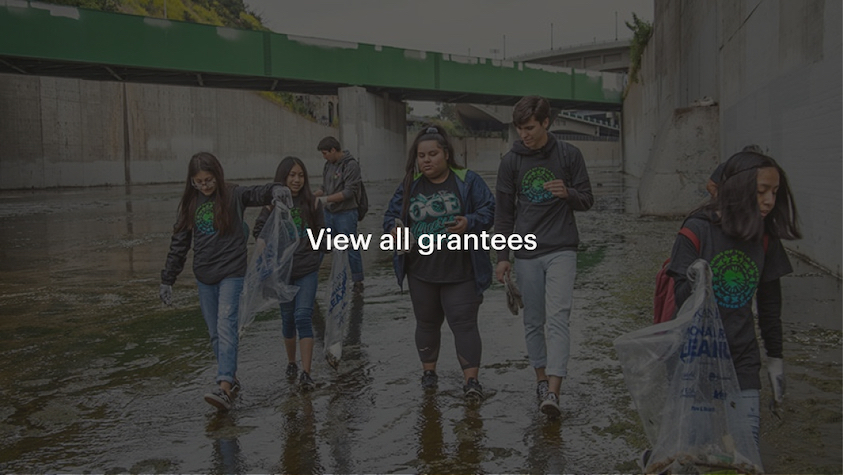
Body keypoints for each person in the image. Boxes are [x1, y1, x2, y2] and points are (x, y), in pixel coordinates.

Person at [667, 150, 800, 459]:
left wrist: (776, 361)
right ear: (740, 190)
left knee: (745, 453)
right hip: (695, 360)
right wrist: (696, 280)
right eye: (761, 192)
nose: (769, 201)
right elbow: (681, 304)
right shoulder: (695, 230)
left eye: (775, 192)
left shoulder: (765, 239)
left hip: (742, 358)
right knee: (698, 453)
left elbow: (769, 309)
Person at [159, 151, 292, 412]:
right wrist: (167, 279)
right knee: (213, 333)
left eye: (208, 180)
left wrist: (277, 190)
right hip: (204, 276)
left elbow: (258, 192)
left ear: (217, 176)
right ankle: (230, 375)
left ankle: (224, 386)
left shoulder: (233, 195)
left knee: (225, 325)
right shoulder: (190, 204)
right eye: (199, 182)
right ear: (192, 181)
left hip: (231, 272)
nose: (205, 186)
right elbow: (179, 244)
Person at [494, 95, 594, 417]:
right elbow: (504, 215)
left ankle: (553, 391)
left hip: (562, 248)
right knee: (533, 320)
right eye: (520, 128)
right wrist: (502, 256)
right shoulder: (511, 162)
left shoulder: (568, 154)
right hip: (525, 252)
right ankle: (540, 379)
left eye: (530, 127)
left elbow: (588, 200)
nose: (524, 134)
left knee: (559, 317)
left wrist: (569, 193)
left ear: (546, 123)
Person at [383, 125, 495, 401]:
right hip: (421, 271)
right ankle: (429, 374)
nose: (427, 160)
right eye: (422, 155)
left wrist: (469, 222)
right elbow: (389, 218)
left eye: (433, 154)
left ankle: (471, 383)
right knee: (427, 323)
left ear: (446, 154)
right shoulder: (410, 184)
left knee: (464, 323)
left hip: (462, 271)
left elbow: (490, 210)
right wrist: (395, 230)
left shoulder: (467, 180)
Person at [252, 156, 325, 391]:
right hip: (281, 273)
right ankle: (291, 363)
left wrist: (321, 251)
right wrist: (263, 245)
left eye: (300, 175)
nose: (296, 180)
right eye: (292, 175)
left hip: (307, 270)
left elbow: (322, 236)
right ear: (282, 178)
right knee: (288, 319)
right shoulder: (273, 205)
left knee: (303, 315)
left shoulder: (313, 204)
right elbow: (259, 230)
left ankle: (306, 372)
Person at [314, 136, 365, 292]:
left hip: (346, 213)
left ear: (333, 150)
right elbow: (324, 187)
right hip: (329, 213)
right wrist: (313, 196)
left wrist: (325, 199)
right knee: (321, 244)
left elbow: (349, 192)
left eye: (325, 153)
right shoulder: (328, 165)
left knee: (351, 247)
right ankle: (310, 275)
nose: (324, 157)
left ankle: (358, 281)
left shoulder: (351, 165)